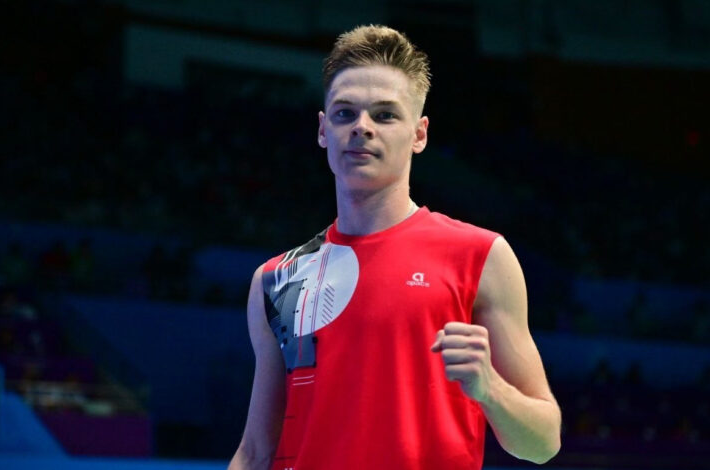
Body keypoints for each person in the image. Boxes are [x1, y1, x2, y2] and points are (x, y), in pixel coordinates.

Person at [229, 25, 561, 470]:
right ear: (324, 130)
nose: (362, 128)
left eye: (385, 115)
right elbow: (256, 451)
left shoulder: (480, 257)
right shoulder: (277, 279)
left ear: (419, 134)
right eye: (345, 113)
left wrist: (489, 388)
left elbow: (543, 443)